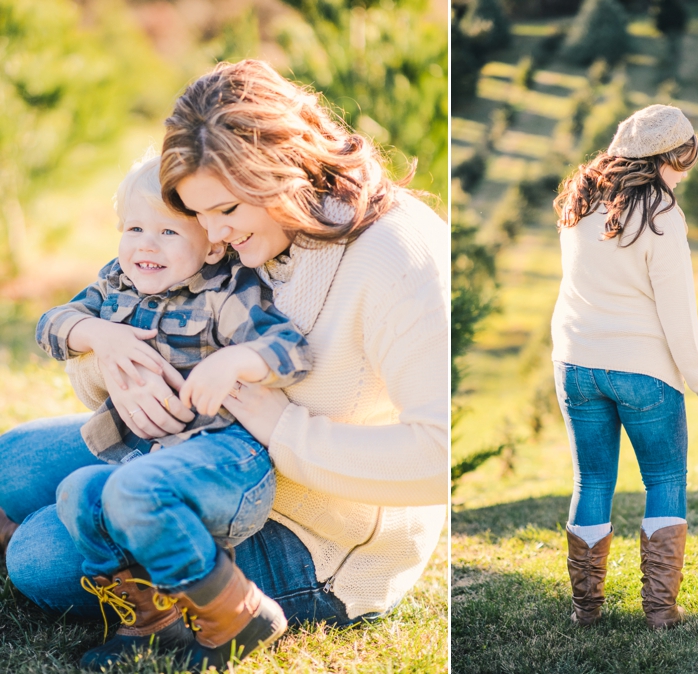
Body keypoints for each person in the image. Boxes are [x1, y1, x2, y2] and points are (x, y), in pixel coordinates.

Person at [1, 59, 448, 670]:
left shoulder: (398, 254)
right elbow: (142, 317)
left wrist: (281, 426)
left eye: (226, 212)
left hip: (320, 531)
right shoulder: (244, 233)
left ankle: (218, 603)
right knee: (13, 464)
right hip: (189, 447)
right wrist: (111, 358)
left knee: (40, 555)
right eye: (196, 213)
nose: (210, 234)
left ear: (278, 174)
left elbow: (435, 458)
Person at [29, 152, 315, 669]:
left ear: (211, 245)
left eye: (167, 233)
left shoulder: (225, 293)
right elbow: (51, 323)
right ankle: (153, 625)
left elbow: (291, 350)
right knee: (78, 492)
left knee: (130, 489)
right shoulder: (116, 282)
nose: (145, 244)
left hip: (227, 462)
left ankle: (238, 613)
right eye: (134, 227)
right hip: (153, 458)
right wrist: (96, 333)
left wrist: (235, 360)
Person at [551, 104, 698, 629]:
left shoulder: (579, 199)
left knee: (592, 482)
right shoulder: (661, 215)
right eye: (684, 159)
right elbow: (680, 317)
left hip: (576, 362)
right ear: (666, 156)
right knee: (666, 479)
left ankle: (586, 610)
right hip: (644, 369)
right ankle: (659, 613)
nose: (686, 171)